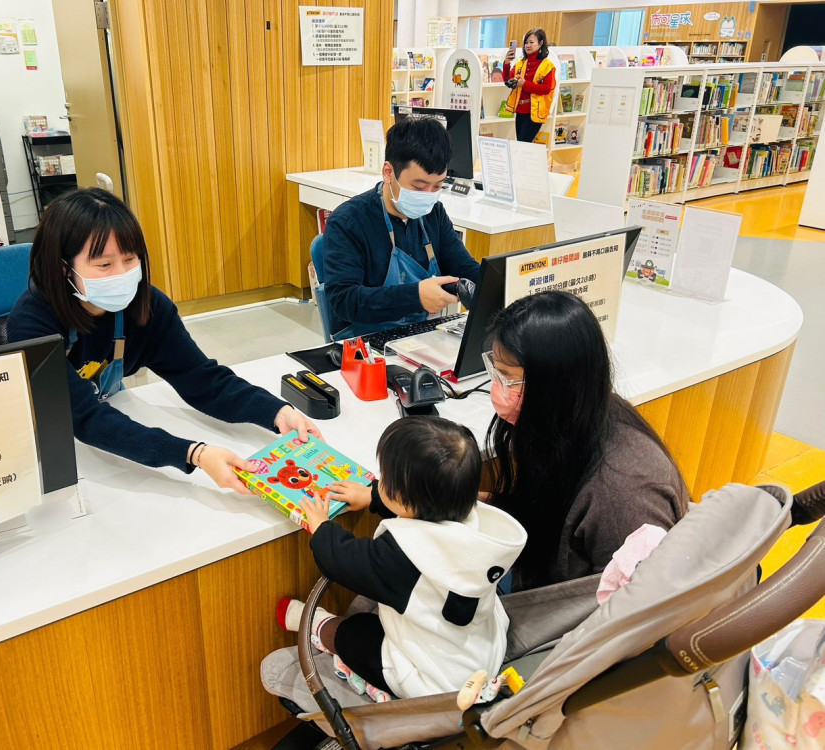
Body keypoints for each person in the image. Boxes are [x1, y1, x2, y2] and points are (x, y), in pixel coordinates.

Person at [7, 188, 319, 494]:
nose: (123, 273)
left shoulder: (147, 305)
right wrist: (193, 453)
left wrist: (278, 413)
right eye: (104, 265)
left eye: (130, 259)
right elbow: (84, 417)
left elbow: (201, 378)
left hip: (111, 427)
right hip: (50, 443)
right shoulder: (32, 322)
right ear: (64, 268)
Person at [275, 417, 527, 699]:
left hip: (435, 681)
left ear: (404, 497)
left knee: (359, 634)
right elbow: (423, 511)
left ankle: (318, 627)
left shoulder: (402, 558)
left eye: (385, 478)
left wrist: (321, 526)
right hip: (482, 652)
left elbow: (344, 561)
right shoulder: (473, 522)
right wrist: (374, 497)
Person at [482, 291, 690, 592]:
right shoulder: (570, 422)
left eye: (509, 378)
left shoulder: (624, 495)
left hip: (573, 624)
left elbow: (627, 615)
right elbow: (538, 510)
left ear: (556, 383)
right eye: (496, 372)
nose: (499, 389)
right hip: (542, 578)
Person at [321, 117, 481, 339]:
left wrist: (498, 288)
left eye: (437, 186)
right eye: (418, 186)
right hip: (364, 340)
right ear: (388, 172)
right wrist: (415, 297)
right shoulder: (349, 221)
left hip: (421, 335)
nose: (428, 196)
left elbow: (465, 268)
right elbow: (344, 300)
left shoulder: (434, 213)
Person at [503, 29, 557, 143]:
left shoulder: (547, 66)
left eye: (531, 42)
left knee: (523, 143)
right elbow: (508, 81)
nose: (528, 45)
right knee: (521, 143)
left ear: (541, 43)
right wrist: (507, 64)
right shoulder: (521, 63)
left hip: (535, 112)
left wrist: (525, 84)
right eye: (526, 42)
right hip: (520, 110)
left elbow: (547, 89)